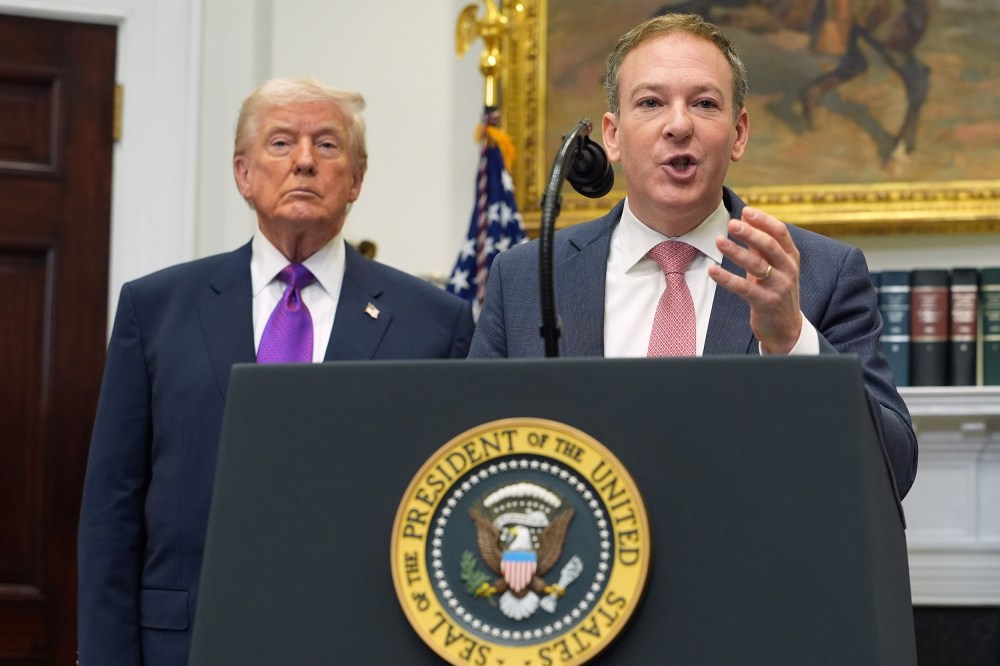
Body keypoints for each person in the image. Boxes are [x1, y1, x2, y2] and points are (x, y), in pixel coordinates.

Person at [78, 77, 474, 665]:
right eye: (282, 143)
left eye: (329, 146)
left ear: (357, 180)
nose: (306, 162)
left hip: (368, 643)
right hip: (186, 643)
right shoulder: (156, 308)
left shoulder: (434, 322)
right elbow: (113, 504)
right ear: (243, 173)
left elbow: (451, 507)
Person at [468, 14, 917, 497]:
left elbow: (894, 469)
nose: (678, 125)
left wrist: (791, 339)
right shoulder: (526, 278)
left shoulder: (822, 272)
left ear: (739, 133)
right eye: (651, 102)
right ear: (613, 136)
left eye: (704, 103)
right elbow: (467, 452)